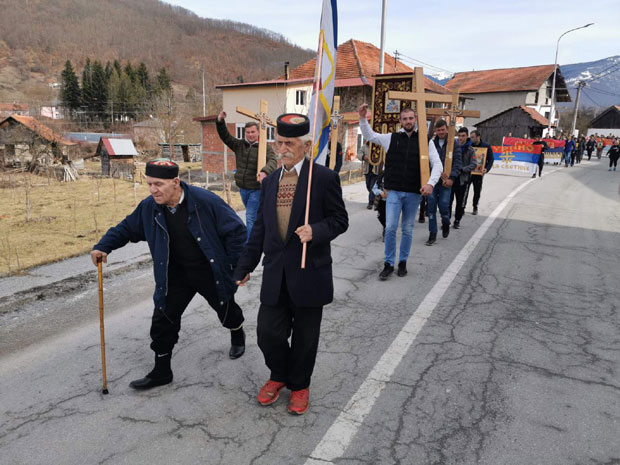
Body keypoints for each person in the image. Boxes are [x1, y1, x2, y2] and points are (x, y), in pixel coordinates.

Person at [91, 161, 247, 390]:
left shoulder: (206, 201)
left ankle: (237, 331)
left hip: (208, 270)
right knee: (163, 318)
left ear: (175, 183)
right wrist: (104, 246)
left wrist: (237, 268)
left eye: (158, 184)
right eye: (149, 184)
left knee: (226, 310)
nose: (153, 190)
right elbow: (127, 228)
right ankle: (161, 371)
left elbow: (236, 232)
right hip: (174, 273)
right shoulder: (150, 207)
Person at [233, 113, 348, 415]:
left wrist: (317, 231)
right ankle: (279, 374)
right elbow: (260, 227)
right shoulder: (269, 181)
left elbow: (340, 220)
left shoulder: (322, 179)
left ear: (307, 146)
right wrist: (245, 265)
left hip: (310, 272)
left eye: (290, 143)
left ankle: (300, 385)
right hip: (276, 273)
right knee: (267, 333)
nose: (282, 149)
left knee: (306, 338)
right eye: (279, 142)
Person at [358, 103, 442, 280]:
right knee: (390, 228)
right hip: (394, 192)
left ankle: (402, 262)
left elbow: (437, 165)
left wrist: (431, 184)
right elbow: (369, 135)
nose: (408, 121)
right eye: (405, 119)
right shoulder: (392, 138)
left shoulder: (426, 142)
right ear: (400, 121)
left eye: (411, 118)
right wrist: (362, 118)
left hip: (414, 192)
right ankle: (388, 263)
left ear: (416, 120)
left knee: (408, 229)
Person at [216, 112, 278, 241]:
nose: (250, 134)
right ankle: (262, 232)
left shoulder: (264, 147)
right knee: (253, 215)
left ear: (258, 133)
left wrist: (265, 171)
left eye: (253, 132)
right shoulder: (239, 145)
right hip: (243, 188)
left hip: (256, 188)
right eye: (248, 132)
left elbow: (273, 160)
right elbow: (225, 136)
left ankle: (249, 245)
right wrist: (220, 121)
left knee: (250, 216)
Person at [425, 119, 462, 245]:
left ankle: (446, 223)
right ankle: (432, 233)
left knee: (444, 206)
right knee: (430, 207)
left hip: (446, 181)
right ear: (435, 130)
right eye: (438, 130)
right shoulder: (431, 143)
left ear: (447, 129)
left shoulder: (454, 143)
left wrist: (451, 177)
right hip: (432, 180)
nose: (440, 132)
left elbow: (457, 161)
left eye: (442, 129)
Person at [450, 127, 477, 229]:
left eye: (463, 136)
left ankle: (457, 220)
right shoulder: (453, 147)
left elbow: (474, 164)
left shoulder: (470, 150)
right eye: (459, 136)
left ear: (467, 136)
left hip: (463, 179)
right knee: (448, 200)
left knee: (460, 201)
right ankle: (446, 220)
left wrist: (462, 169)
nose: (461, 138)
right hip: (452, 178)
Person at [469, 130, 494, 214]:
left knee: (477, 191)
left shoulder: (486, 146)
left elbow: (491, 159)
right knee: (464, 190)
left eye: (473, 137)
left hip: (479, 173)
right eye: (470, 137)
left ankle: (475, 206)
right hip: (468, 172)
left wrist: (486, 169)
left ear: (478, 137)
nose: (471, 139)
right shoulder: (469, 145)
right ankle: (462, 207)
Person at [358, 141, 379, 209]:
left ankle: (371, 202)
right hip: (367, 170)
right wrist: (364, 156)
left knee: (372, 186)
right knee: (368, 186)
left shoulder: (379, 145)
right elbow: (359, 153)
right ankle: (375, 196)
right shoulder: (365, 146)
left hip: (376, 171)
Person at [371, 171, 387, 241]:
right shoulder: (380, 178)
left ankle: (386, 232)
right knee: (381, 217)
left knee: (389, 218)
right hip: (381, 201)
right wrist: (381, 192)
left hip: (391, 202)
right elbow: (374, 189)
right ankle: (385, 226)